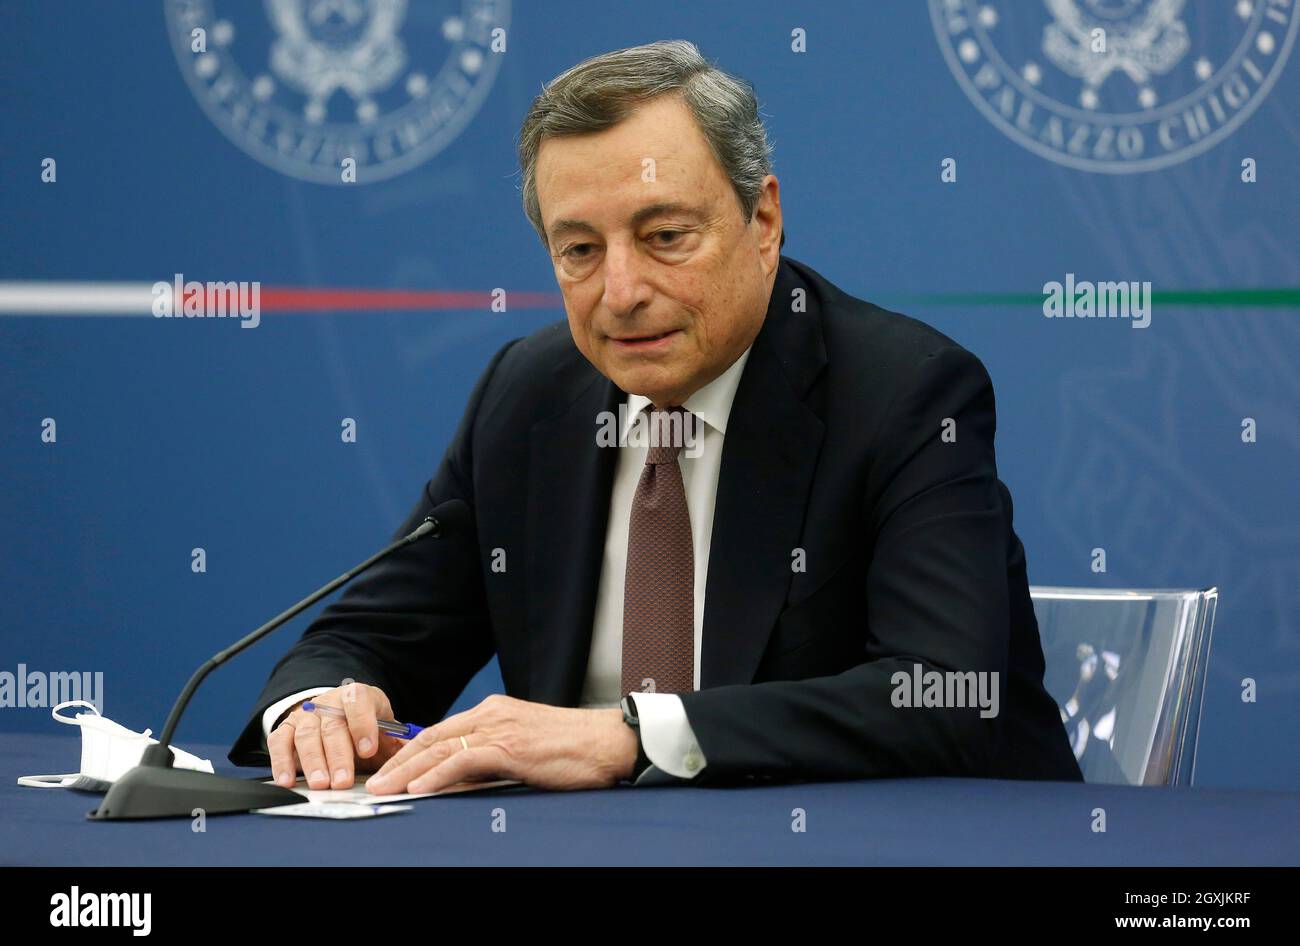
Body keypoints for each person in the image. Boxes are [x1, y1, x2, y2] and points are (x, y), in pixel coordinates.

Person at [229, 39, 1083, 794]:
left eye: (666, 235)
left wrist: (630, 736)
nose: (623, 293)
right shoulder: (529, 397)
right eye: (581, 251)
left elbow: (944, 692)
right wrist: (319, 706)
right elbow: (372, 636)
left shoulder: (906, 393)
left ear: (763, 220)